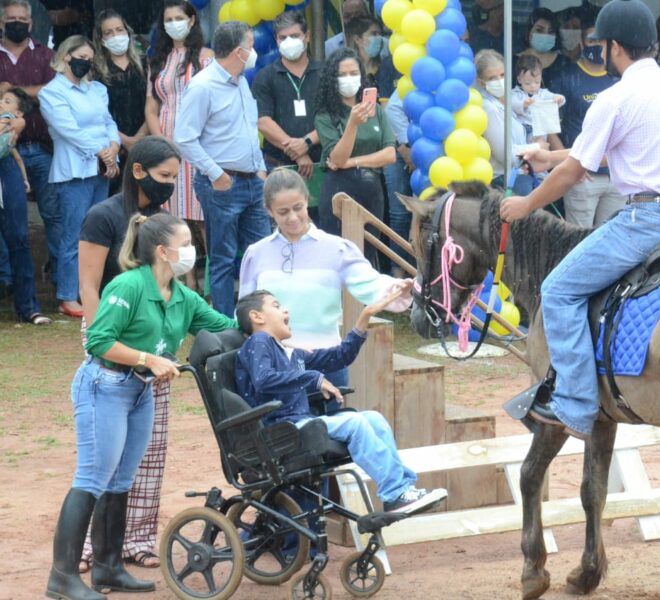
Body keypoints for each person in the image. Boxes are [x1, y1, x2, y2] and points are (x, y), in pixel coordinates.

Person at [499, 0, 660, 440]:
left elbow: (575, 172)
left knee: (558, 290)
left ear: (613, 47)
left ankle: (575, 403)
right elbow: (610, 149)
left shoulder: (614, 98)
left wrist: (526, 205)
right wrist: (548, 157)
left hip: (649, 220)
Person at [45, 211, 237, 600]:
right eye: (186, 244)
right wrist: (149, 359)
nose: (192, 251)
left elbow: (226, 327)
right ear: (163, 252)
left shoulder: (183, 297)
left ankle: (109, 568)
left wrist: (264, 321)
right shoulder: (128, 285)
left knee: (121, 480)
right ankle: (61, 578)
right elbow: (98, 340)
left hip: (139, 391)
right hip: (104, 384)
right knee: (92, 478)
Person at [234, 287, 447, 514]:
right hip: (280, 430)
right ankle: (395, 493)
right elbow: (263, 380)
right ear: (257, 317)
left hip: (300, 423)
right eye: (276, 306)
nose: (285, 310)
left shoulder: (292, 353)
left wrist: (364, 317)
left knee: (374, 419)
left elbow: (339, 356)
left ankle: (401, 491)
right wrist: (313, 378)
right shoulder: (259, 341)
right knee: (355, 423)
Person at [76, 137, 182, 572]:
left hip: (155, 342)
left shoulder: (165, 223)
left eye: (175, 177)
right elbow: (88, 286)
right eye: (164, 176)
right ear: (137, 171)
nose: (169, 184)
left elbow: (173, 285)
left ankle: (137, 539)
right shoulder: (102, 217)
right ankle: (92, 546)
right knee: (105, 451)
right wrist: (101, 340)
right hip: (110, 340)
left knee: (149, 448)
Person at [239, 168, 412, 388]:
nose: (292, 218)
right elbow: (245, 311)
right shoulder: (256, 253)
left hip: (326, 362)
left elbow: (370, 283)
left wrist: (399, 287)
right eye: (283, 212)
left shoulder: (337, 248)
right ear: (269, 210)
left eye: (298, 208)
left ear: (307, 200)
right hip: (275, 367)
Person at [174, 20, 270, 317]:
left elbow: (248, 129)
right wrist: (216, 174)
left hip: (252, 181)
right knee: (223, 259)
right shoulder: (202, 86)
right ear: (239, 51)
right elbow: (184, 138)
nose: (254, 52)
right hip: (221, 184)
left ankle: (260, 320)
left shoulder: (241, 81)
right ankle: (225, 325)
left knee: (261, 255)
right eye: (251, 46)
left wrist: (260, 168)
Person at [39, 35, 120, 319]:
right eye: (81, 57)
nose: (85, 62)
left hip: (101, 169)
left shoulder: (97, 89)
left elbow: (108, 122)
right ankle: (67, 295)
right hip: (74, 171)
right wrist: (102, 152)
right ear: (65, 57)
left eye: (89, 59)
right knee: (73, 235)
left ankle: (92, 292)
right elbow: (69, 130)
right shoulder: (51, 93)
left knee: (99, 235)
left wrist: (113, 148)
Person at [146, 0, 214, 290]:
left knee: (203, 217)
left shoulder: (207, 58)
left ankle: (213, 283)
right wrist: (163, 143)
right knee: (175, 218)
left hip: (200, 144)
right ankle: (186, 283)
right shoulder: (158, 60)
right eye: (168, 19)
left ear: (192, 20)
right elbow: (151, 108)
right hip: (168, 146)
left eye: (179, 18)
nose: (173, 24)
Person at [0, 0, 63, 289]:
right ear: (2, 23)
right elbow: (40, 93)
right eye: (11, 19)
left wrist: (11, 92)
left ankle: (61, 279)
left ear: (31, 23)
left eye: (22, 19)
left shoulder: (47, 56)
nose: (17, 23)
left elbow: (54, 91)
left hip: (42, 149)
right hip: (4, 152)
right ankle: (7, 280)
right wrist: (32, 94)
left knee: (53, 214)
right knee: (5, 218)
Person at [313, 47, 396, 256]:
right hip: (339, 190)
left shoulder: (375, 110)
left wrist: (352, 162)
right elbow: (337, 157)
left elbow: (389, 154)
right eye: (342, 75)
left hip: (371, 189)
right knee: (338, 252)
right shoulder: (325, 116)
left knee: (368, 252)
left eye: (354, 73)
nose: (349, 79)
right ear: (333, 79)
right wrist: (352, 124)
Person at [554, 20, 624, 228]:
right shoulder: (566, 78)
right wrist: (570, 166)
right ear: (582, 43)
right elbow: (550, 128)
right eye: (592, 40)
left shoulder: (620, 79)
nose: (597, 45)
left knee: (612, 238)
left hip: (616, 176)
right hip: (582, 176)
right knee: (578, 239)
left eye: (601, 41)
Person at [252, 10, 322, 179]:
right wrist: (297, 153)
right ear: (276, 40)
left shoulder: (325, 73)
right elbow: (263, 121)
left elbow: (334, 117)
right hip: (278, 165)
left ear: (307, 36)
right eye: (283, 38)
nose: (289, 41)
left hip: (323, 163)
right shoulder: (265, 76)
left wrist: (306, 142)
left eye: (295, 36)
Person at [0, 86, 48, 326]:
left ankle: (28, 307)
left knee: (19, 236)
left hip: (6, 168)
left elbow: (19, 119)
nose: (1, 102)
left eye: (6, 100)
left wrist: (19, 121)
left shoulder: (13, 119)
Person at [92, 9, 147, 196]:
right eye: (108, 32)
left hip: (144, 141)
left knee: (143, 198)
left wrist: (138, 138)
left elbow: (155, 104)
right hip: (111, 145)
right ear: (101, 39)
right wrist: (124, 140)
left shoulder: (145, 64)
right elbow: (96, 111)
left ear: (127, 32)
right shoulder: (95, 71)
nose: (116, 36)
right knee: (113, 200)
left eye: (119, 30)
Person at [475, 49, 527, 189]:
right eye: (492, 78)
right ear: (481, 82)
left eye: (502, 75)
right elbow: (507, 157)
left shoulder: (505, 101)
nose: (499, 81)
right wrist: (536, 148)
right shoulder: (488, 108)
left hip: (518, 176)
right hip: (505, 181)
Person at [384, 89, 414, 275]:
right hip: (399, 152)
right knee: (399, 216)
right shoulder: (406, 85)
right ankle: (398, 276)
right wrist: (405, 148)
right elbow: (390, 110)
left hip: (433, 154)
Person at [510, 54, 565, 147]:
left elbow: (556, 98)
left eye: (537, 82)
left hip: (538, 130)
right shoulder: (515, 93)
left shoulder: (543, 94)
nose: (533, 86)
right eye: (528, 83)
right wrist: (523, 104)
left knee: (540, 144)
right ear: (519, 79)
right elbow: (512, 104)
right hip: (522, 128)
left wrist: (559, 99)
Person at [517, 8, 571, 91]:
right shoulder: (513, 62)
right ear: (528, 32)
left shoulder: (565, 63)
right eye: (539, 30)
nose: (545, 35)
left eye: (551, 31)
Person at [344, 16, 396, 100]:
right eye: (374, 34)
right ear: (358, 39)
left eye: (380, 34)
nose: (379, 38)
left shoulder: (387, 67)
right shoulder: (347, 72)